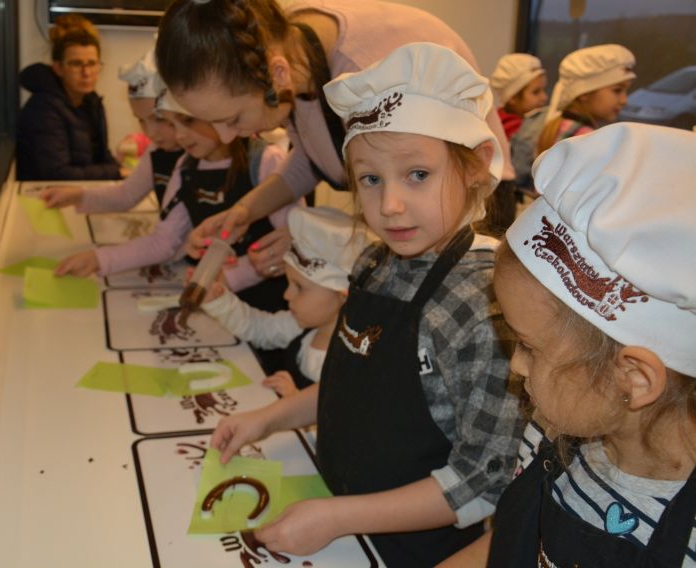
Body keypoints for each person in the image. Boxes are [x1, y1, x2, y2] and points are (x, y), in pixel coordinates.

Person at [210, 43, 524, 566]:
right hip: (333, 511)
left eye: (417, 174)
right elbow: (350, 385)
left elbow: (481, 481)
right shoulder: (375, 262)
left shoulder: (484, 304)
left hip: (412, 548)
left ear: (476, 165)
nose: (390, 206)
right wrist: (269, 419)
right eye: (371, 179)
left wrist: (338, 518)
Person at [439, 123, 696, 567]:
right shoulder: (554, 427)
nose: (515, 366)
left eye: (529, 347)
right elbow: (512, 541)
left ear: (634, 378)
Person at [154, 0, 516, 273]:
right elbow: (313, 156)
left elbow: (403, 193)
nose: (225, 136)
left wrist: (317, 238)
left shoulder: (367, 70)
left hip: (468, 217)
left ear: (277, 73)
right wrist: (245, 212)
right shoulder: (290, 53)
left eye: (233, 119)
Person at [56, 90, 290, 309]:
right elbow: (165, 241)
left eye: (187, 121)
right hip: (218, 300)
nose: (179, 135)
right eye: (172, 124)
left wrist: (228, 277)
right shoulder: (185, 165)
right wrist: (98, 259)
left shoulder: (266, 160)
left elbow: (292, 243)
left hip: (270, 304)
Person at [201, 205, 372, 397]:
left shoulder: (352, 361)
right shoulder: (300, 325)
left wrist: (295, 399)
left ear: (343, 295)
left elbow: (345, 414)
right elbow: (261, 329)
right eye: (289, 283)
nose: (286, 295)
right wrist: (220, 301)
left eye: (299, 287)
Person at [41, 49, 184, 213]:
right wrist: (78, 196)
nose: (150, 133)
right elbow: (126, 195)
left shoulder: (200, 152)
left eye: (160, 119)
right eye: (141, 120)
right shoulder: (155, 149)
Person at [16, 14, 121, 181]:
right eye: (76, 64)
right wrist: (117, 173)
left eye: (92, 63)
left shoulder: (92, 101)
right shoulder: (43, 108)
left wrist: (123, 173)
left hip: (78, 189)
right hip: (45, 192)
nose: (86, 73)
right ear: (58, 68)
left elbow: (102, 155)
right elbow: (56, 173)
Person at [536, 44, 635, 155]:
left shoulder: (559, 125)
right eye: (617, 90)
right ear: (584, 93)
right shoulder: (586, 139)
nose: (624, 101)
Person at [490, 53, 548, 141]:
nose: (544, 97)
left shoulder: (497, 120)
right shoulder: (514, 130)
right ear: (513, 97)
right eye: (536, 92)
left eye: (544, 90)